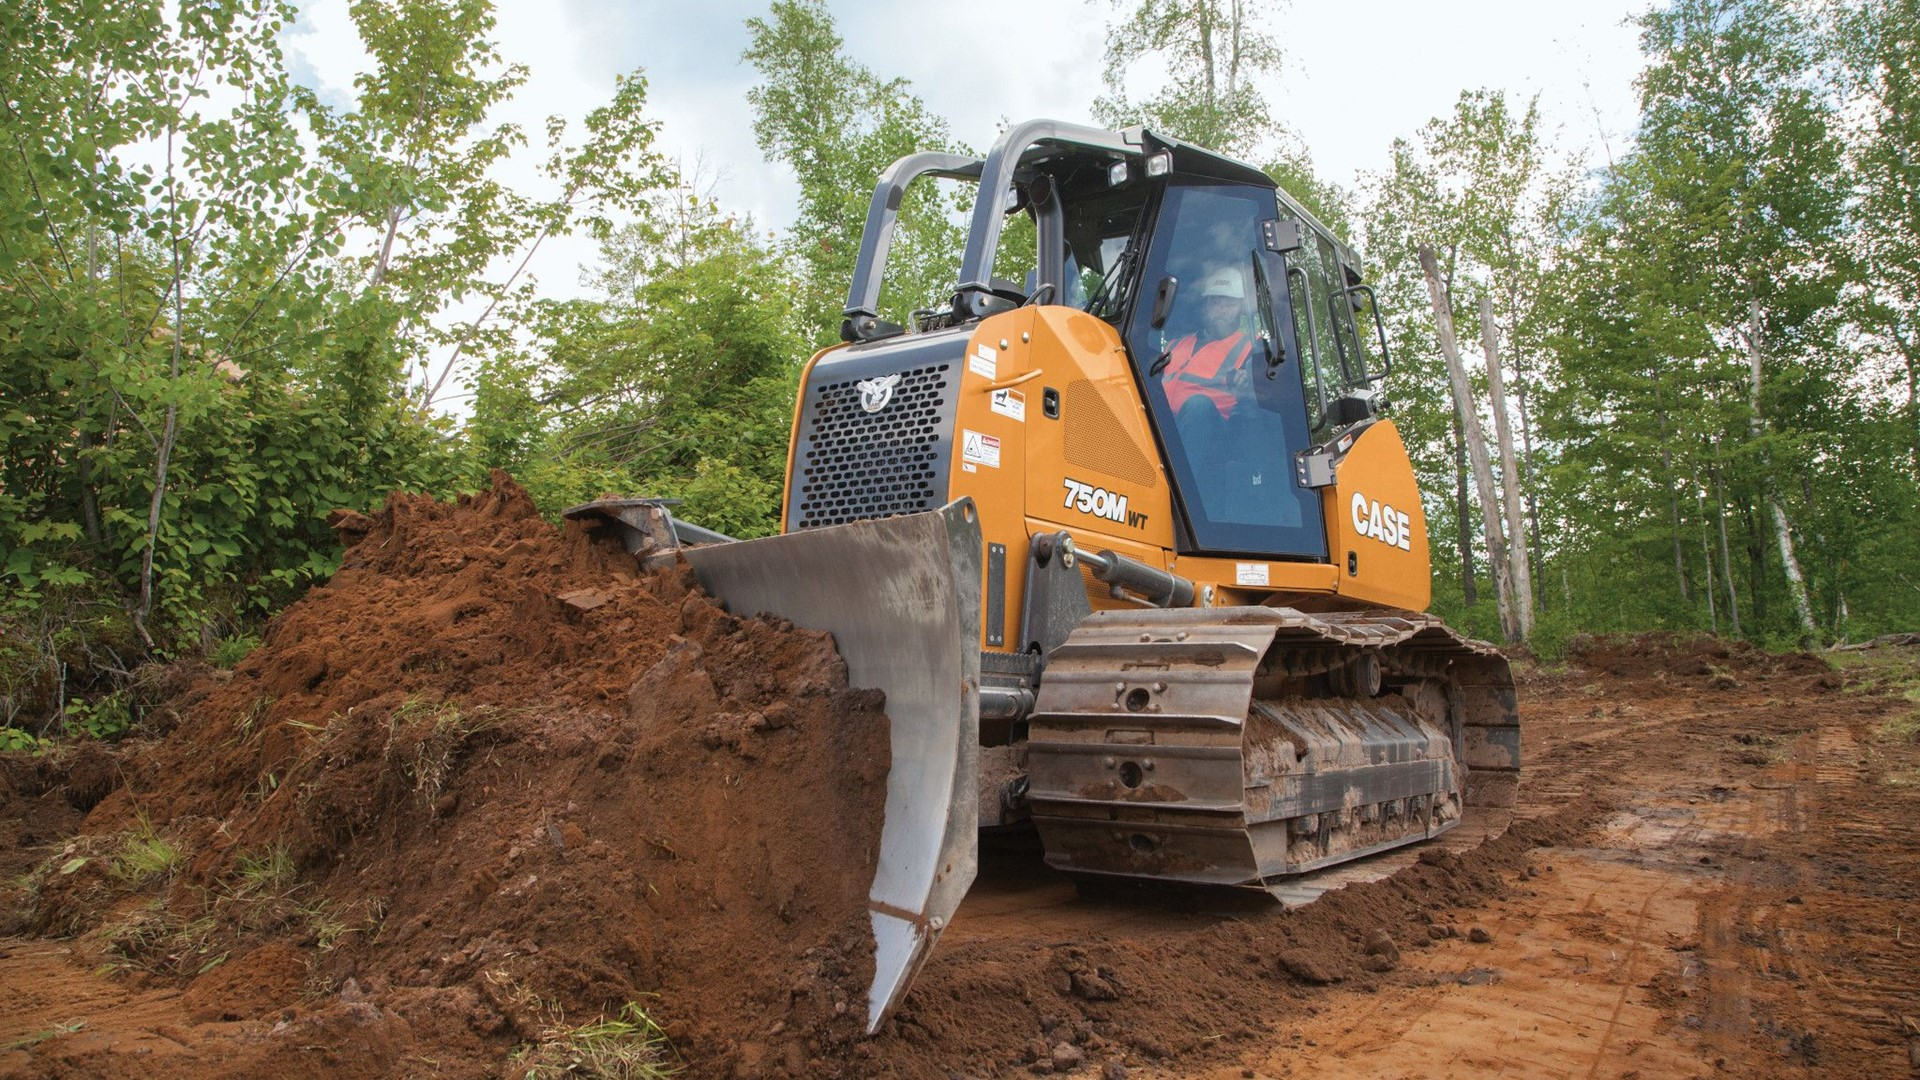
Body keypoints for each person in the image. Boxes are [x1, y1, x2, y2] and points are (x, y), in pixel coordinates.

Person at [1162, 266, 1254, 462]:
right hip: (1162, 425)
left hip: (1214, 437)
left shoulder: (1250, 349)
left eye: (1228, 303)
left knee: (1198, 406)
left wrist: (1250, 383)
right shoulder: (1175, 345)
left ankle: (1174, 486)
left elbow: (1262, 393)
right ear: (1205, 306)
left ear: (1241, 308)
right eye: (1215, 302)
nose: (1221, 309)